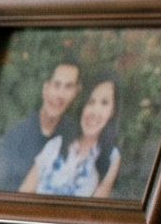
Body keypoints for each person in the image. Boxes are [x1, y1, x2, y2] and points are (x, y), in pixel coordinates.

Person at [0, 58, 79, 193]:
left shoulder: (75, 130)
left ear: (75, 92)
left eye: (68, 87)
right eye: (56, 85)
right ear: (46, 88)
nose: (60, 94)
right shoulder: (17, 135)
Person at [21, 71, 124, 199]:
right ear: (81, 106)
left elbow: (94, 214)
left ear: (112, 111)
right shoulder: (55, 145)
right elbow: (23, 194)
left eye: (104, 103)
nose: (94, 111)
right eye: (90, 102)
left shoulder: (111, 157)